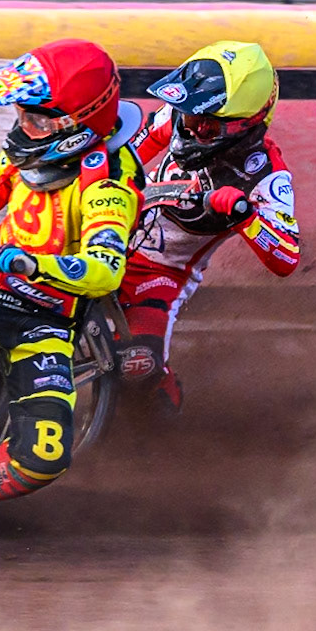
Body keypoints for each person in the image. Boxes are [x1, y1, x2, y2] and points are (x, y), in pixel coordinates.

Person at [0, 39, 145, 556]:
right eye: (21, 116)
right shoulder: (30, 145)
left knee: (45, 453)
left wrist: (31, 264)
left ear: (76, 126)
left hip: (40, 320)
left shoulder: (110, 183)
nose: (22, 129)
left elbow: (105, 270)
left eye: (36, 120)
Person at [118, 40, 301, 416]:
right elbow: (126, 152)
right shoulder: (176, 117)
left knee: (137, 370)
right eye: (190, 117)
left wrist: (243, 214)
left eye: (209, 125)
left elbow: (287, 258)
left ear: (246, 125)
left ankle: (157, 427)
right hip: (105, 232)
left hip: (159, 275)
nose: (194, 128)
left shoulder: (265, 174)